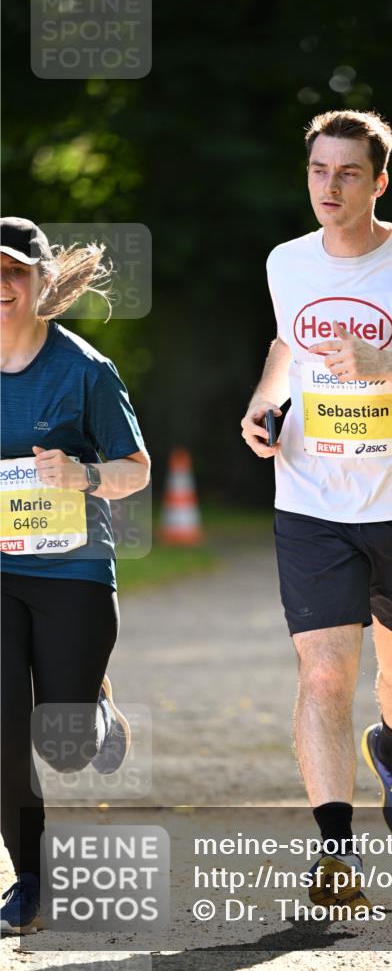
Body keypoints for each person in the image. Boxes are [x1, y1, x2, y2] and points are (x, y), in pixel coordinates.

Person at [240, 110, 392, 910]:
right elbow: (287, 347)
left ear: (378, 183)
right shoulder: (286, 261)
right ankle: (335, 854)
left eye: (348, 173)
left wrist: (388, 363)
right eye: (318, 171)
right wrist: (263, 406)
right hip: (309, 498)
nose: (329, 187)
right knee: (321, 674)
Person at [0, 218, 150, 933]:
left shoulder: (86, 369)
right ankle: (29, 879)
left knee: (63, 747)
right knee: (0, 730)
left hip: (73, 573)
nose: (2, 286)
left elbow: (136, 471)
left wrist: (84, 473)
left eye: (14, 272)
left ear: (39, 280)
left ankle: (92, 705)